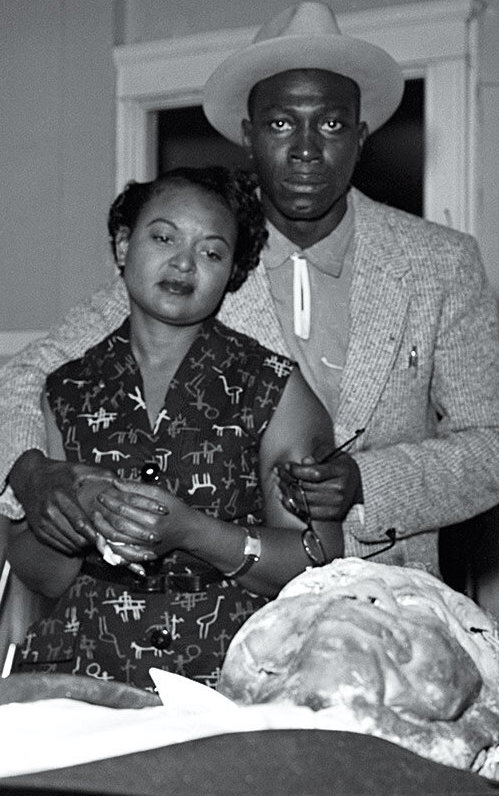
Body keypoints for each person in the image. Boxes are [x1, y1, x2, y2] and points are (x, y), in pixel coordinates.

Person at [0, 2, 499, 578]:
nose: (306, 148)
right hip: (229, 603)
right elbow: (25, 378)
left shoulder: (440, 263)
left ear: (360, 138)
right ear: (248, 137)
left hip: (393, 593)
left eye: (331, 124)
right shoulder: (199, 256)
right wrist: (27, 472)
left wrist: (366, 482)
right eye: (280, 124)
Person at [7, 166, 342, 689]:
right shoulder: (67, 389)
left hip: (230, 677)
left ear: (232, 273)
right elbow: (41, 575)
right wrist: (77, 518)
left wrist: (194, 532)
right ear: (124, 246)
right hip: (85, 677)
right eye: (163, 238)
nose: (184, 263)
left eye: (211, 253)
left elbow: (317, 561)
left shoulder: (273, 387)